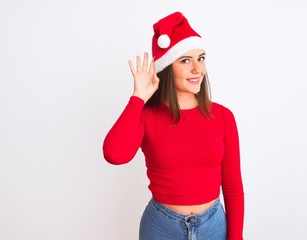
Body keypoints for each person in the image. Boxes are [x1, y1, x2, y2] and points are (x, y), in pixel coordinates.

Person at [102, 11, 244, 240]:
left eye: (201, 58)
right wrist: (138, 98)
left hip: (214, 226)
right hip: (160, 228)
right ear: (167, 67)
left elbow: (233, 185)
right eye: (185, 60)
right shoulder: (147, 116)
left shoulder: (223, 116)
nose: (197, 69)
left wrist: (236, 237)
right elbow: (114, 154)